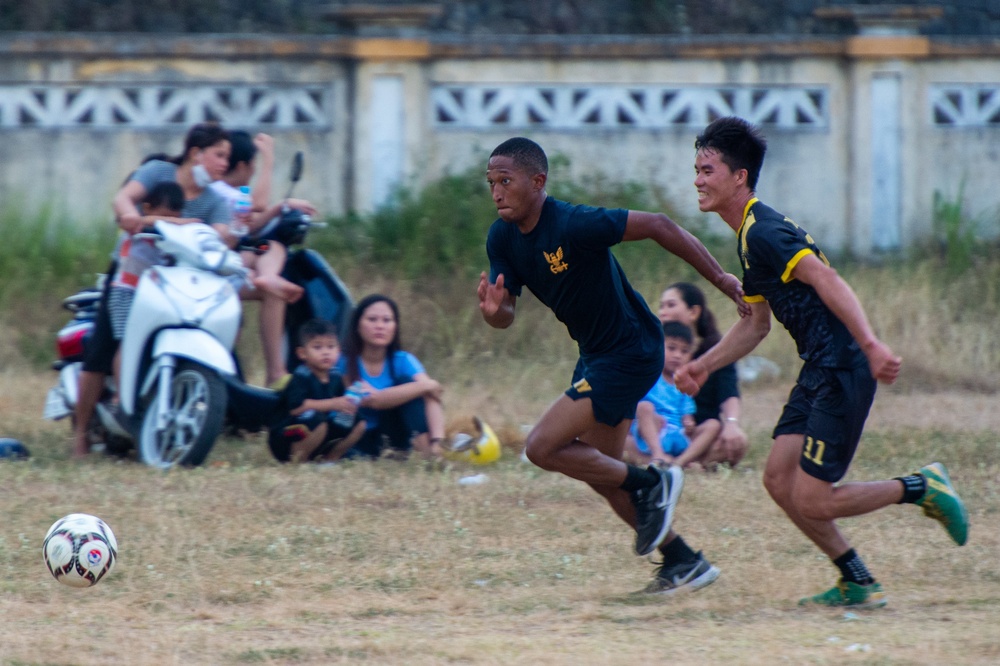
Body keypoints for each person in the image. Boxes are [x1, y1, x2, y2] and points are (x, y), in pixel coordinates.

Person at [675, 116, 970, 608]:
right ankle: (856, 581)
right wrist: (705, 365)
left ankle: (921, 486)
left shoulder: (764, 231)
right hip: (819, 366)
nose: (697, 180)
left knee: (813, 497)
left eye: (707, 170)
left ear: (739, 176)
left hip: (843, 365)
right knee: (777, 479)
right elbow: (756, 324)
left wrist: (871, 345)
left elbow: (827, 280)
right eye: (696, 169)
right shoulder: (749, 236)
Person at [477, 136, 746, 595]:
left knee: (542, 447)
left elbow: (660, 225)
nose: (497, 192)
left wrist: (720, 277)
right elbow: (506, 316)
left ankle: (652, 480)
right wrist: (494, 312)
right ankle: (683, 562)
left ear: (538, 182)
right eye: (491, 183)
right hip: (597, 355)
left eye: (506, 181)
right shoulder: (501, 238)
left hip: (632, 349)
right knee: (600, 470)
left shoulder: (574, 223)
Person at [73, 124, 232, 458]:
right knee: (103, 350)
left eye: (227, 158)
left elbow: (221, 236)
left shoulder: (216, 201)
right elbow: (124, 197)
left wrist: (155, 223)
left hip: (180, 281)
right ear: (195, 153)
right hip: (131, 276)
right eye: (219, 155)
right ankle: (81, 434)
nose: (224, 164)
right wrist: (130, 214)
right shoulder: (159, 171)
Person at [211, 130, 317, 387]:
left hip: (231, 258)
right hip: (216, 267)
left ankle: (275, 373)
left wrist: (280, 208)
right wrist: (269, 160)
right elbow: (258, 205)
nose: (255, 171)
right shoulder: (221, 190)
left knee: (267, 249)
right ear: (243, 165)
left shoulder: (231, 191)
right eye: (254, 166)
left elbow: (251, 224)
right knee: (272, 247)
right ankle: (275, 372)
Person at [337, 294, 446, 459]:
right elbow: (373, 401)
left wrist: (438, 440)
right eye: (372, 319)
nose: (380, 326)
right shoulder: (344, 362)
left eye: (387, 320)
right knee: (417, 387)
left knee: (415, 388)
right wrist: (425, 385)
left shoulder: (403, 360)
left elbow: (434, 393)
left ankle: (432, 453)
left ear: (395, 327)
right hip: (358, 438)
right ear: (357, 326)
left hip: (393, 435)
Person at [658, 281, 749, 468]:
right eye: (661, 306)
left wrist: (732, 424)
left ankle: (677, 464)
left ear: (693, 312)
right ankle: (684, 464)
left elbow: (728, 392)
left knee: (736, 442)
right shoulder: (652, 348)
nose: (662, 312)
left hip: (697, 433)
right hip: (656, 431)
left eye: (671, 305)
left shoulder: (716, 351)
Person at [267, 319, 366, 463]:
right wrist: (334, 403)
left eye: (331, 347)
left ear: (338, 350)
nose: (325, 352)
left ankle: (330, 459)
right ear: (302, 353)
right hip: (286, 436)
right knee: (317, 421)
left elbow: (340, 404)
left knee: (358, 421)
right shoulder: (301, 376)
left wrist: (350, 401)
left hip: (318, 434)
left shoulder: (335, 377)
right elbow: (297, 408)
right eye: (317, 347)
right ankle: (297, 461)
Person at [624, 321, 720, 469]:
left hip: (678, 433)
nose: (677, 355)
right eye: (671, 348)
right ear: (658, 347)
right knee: (644, 407)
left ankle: (681, 462)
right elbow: (635, 408)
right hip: (653, 433)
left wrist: (689, 422)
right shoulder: (649, 376)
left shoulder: (683, 380)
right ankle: (658, 455)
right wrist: (654, 419)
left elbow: (687, 413)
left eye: (684, 351)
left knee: (713, 425)